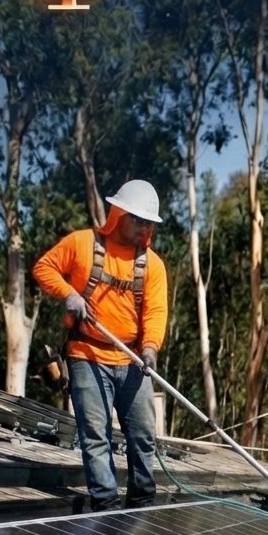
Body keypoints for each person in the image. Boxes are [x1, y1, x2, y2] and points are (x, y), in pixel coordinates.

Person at [33, 180, 168, 511]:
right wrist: (69, 294)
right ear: (118, 214)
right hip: (87, 355)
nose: (144, 227)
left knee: (142, 437)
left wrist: (150, 348)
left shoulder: (152, 265)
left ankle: (141, 504)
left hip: (133, 360)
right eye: (138, 219)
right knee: (96, 435)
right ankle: (107, 508)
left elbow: (155, 311)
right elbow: (43, 268)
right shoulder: (81, 244)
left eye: (149, 222)